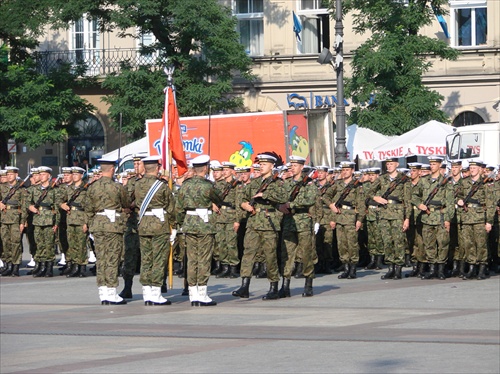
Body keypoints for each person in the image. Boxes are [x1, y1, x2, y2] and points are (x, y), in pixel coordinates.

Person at [232, 152, 287, 300]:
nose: (261, 167)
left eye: (264, 164)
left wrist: (265, 195)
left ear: (272, 166)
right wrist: (245, 205)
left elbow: (284, 197)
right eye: (260, 164)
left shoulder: (278, 183)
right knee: (248, 253)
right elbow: (242, 198)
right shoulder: (255, 183)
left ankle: (273, 286)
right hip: (253, 221)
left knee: (270, 255)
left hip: (269, 222)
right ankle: (244, 286)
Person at [176, 155, 222, 306]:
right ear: (206, 168)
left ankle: (192, 294)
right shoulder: (209, 185)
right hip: (204, 225)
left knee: (191, 259)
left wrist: (182, 222)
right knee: (203, 259)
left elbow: (179, 207)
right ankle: (202, 294)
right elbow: (219, 198)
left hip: (189, 224)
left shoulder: (185, 185)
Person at [85, 157, 130, 305]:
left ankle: (103, 292)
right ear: (112, 170)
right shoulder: (117, 187)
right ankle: (111, 291)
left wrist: (92, 223)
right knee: (112, 258)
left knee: (101, 259)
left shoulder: (92, 187)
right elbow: (126, 203)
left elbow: (88, 208)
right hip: (112, 226)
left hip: (98, 225)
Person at [134, 156, 176, 305]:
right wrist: (175, 226)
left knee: (146, 259)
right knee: (159, 259)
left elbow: (131, 202)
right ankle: (156, 294)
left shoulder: (136, 185)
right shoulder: (162, 186)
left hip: (144, 224)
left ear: (144, 168)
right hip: (159, 226)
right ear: (158, 168)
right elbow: (171, 208)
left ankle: (146, 293)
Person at [277, 156, 318, 297]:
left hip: (303, 221)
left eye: (295, 165)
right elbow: (280, 198)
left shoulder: (309, 184)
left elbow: (310, 200)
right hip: (289, 221)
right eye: (291, 165)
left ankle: (308, 284)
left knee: (306, 253)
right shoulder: (286, 183)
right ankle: (285, 286)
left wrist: (291, 205)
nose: (292, 168)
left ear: (302, 167)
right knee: (286, 254)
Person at [367, 157, 411, 280]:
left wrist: (407, 218)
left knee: (398, 242)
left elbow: (407, 201)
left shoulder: (404, 180)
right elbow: (369, 191)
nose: (389, 166)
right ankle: (390, 268)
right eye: (387, 164)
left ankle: (398, 268)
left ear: (397, 164)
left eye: (391, 164)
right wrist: (376, 198)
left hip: (397, 214)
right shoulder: (382, 178)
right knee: (387, 242)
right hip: (384, 213)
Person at [413, 156, 454, 280]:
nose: (432, 166)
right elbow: (414, 195)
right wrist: (418, 203)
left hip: (440, 216)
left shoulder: (446, 182)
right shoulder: (423, 181)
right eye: (431, 164)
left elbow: (450, 203)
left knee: (442, 243)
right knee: (429, 244)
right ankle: (432, 269)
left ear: (439, 165)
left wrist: (447, 219)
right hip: (427, 216)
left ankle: (440, 269)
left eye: (434, 164)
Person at [456, 160, 495, 280]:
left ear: (479, 169)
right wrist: (459, 200)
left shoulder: (485, 184)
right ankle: (472, 268)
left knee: (481, 244)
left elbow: (490, 204)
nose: (472, 169)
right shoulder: (464, 182)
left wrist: (489, 221)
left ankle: (482, 269)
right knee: (468, 244)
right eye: (471, 167)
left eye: (474, 167)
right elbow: (458, 195)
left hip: (479, 218)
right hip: (467, 217)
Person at [328, 162, 365, 280]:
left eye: (347, 170)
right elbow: (325, 196)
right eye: (343, 170)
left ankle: (353, 268)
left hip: (351, 218)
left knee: (352, 244)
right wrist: (331, 206)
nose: (344, 172)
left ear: (352, 171)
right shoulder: (337, 184)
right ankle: (345, 268)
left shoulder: (357, 186)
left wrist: (359, 220)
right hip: (339, 217)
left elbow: (361, 204)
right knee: (341, 244)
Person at [119, 154, 146, 299]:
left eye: (138, 164)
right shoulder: (131, 182)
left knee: (150, 256)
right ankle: (127, 286)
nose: (136, 167)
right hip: (132, 223)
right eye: (134, 164)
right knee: (129, 255)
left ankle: (157, 285)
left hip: (148, 222)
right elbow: (126, 199)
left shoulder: (154, 182)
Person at [26, 167, 60, 277]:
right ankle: (41, 266)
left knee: (49, 245)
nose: (41, 176)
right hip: (37, 220)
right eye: (40, 174)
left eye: (44, 174)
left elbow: (57, 208)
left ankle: (49, 268)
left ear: (49, 176)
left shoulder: (54, 190)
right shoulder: (34, 189)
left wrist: (56, 223)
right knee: (39, 244)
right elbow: (27, 202)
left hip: (49, 220)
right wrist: (30, 207)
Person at [59, 167, 89, 278]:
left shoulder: (86, 189)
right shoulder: (69, 189)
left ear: (81, 175)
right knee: (72, 244)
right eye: (73, 174)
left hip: (81, 218)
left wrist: (86, 222)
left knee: (81, 244)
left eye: (77, 174)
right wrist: (63, 205)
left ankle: (82, 267)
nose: (74, 176)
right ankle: (75, 266)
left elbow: (89, 207)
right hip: (71, 219)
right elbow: (59, 200)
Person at [215, 162, 241, 279]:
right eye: (223, 170)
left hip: (231, 215)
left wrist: (237, 220)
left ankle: (233, 267)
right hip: (220, 216)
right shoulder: (218, 185)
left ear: (232, 171)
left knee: (231, 243)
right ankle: (224, 266)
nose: (224, 172)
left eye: (226, 170)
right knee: (221, 243)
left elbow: (238, 203)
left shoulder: (237, 185)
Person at [0, 167, 27, 277]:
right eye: (8, 174)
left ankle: (15, 267)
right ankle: (8, 264)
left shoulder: (21, 190)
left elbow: (24, 207)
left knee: (16, 243)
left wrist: (22, 222)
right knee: (5, 243)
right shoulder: (2, 188)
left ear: (16, 175)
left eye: (11, 174)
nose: (9, 176)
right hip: (4, 218)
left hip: (15, 219)